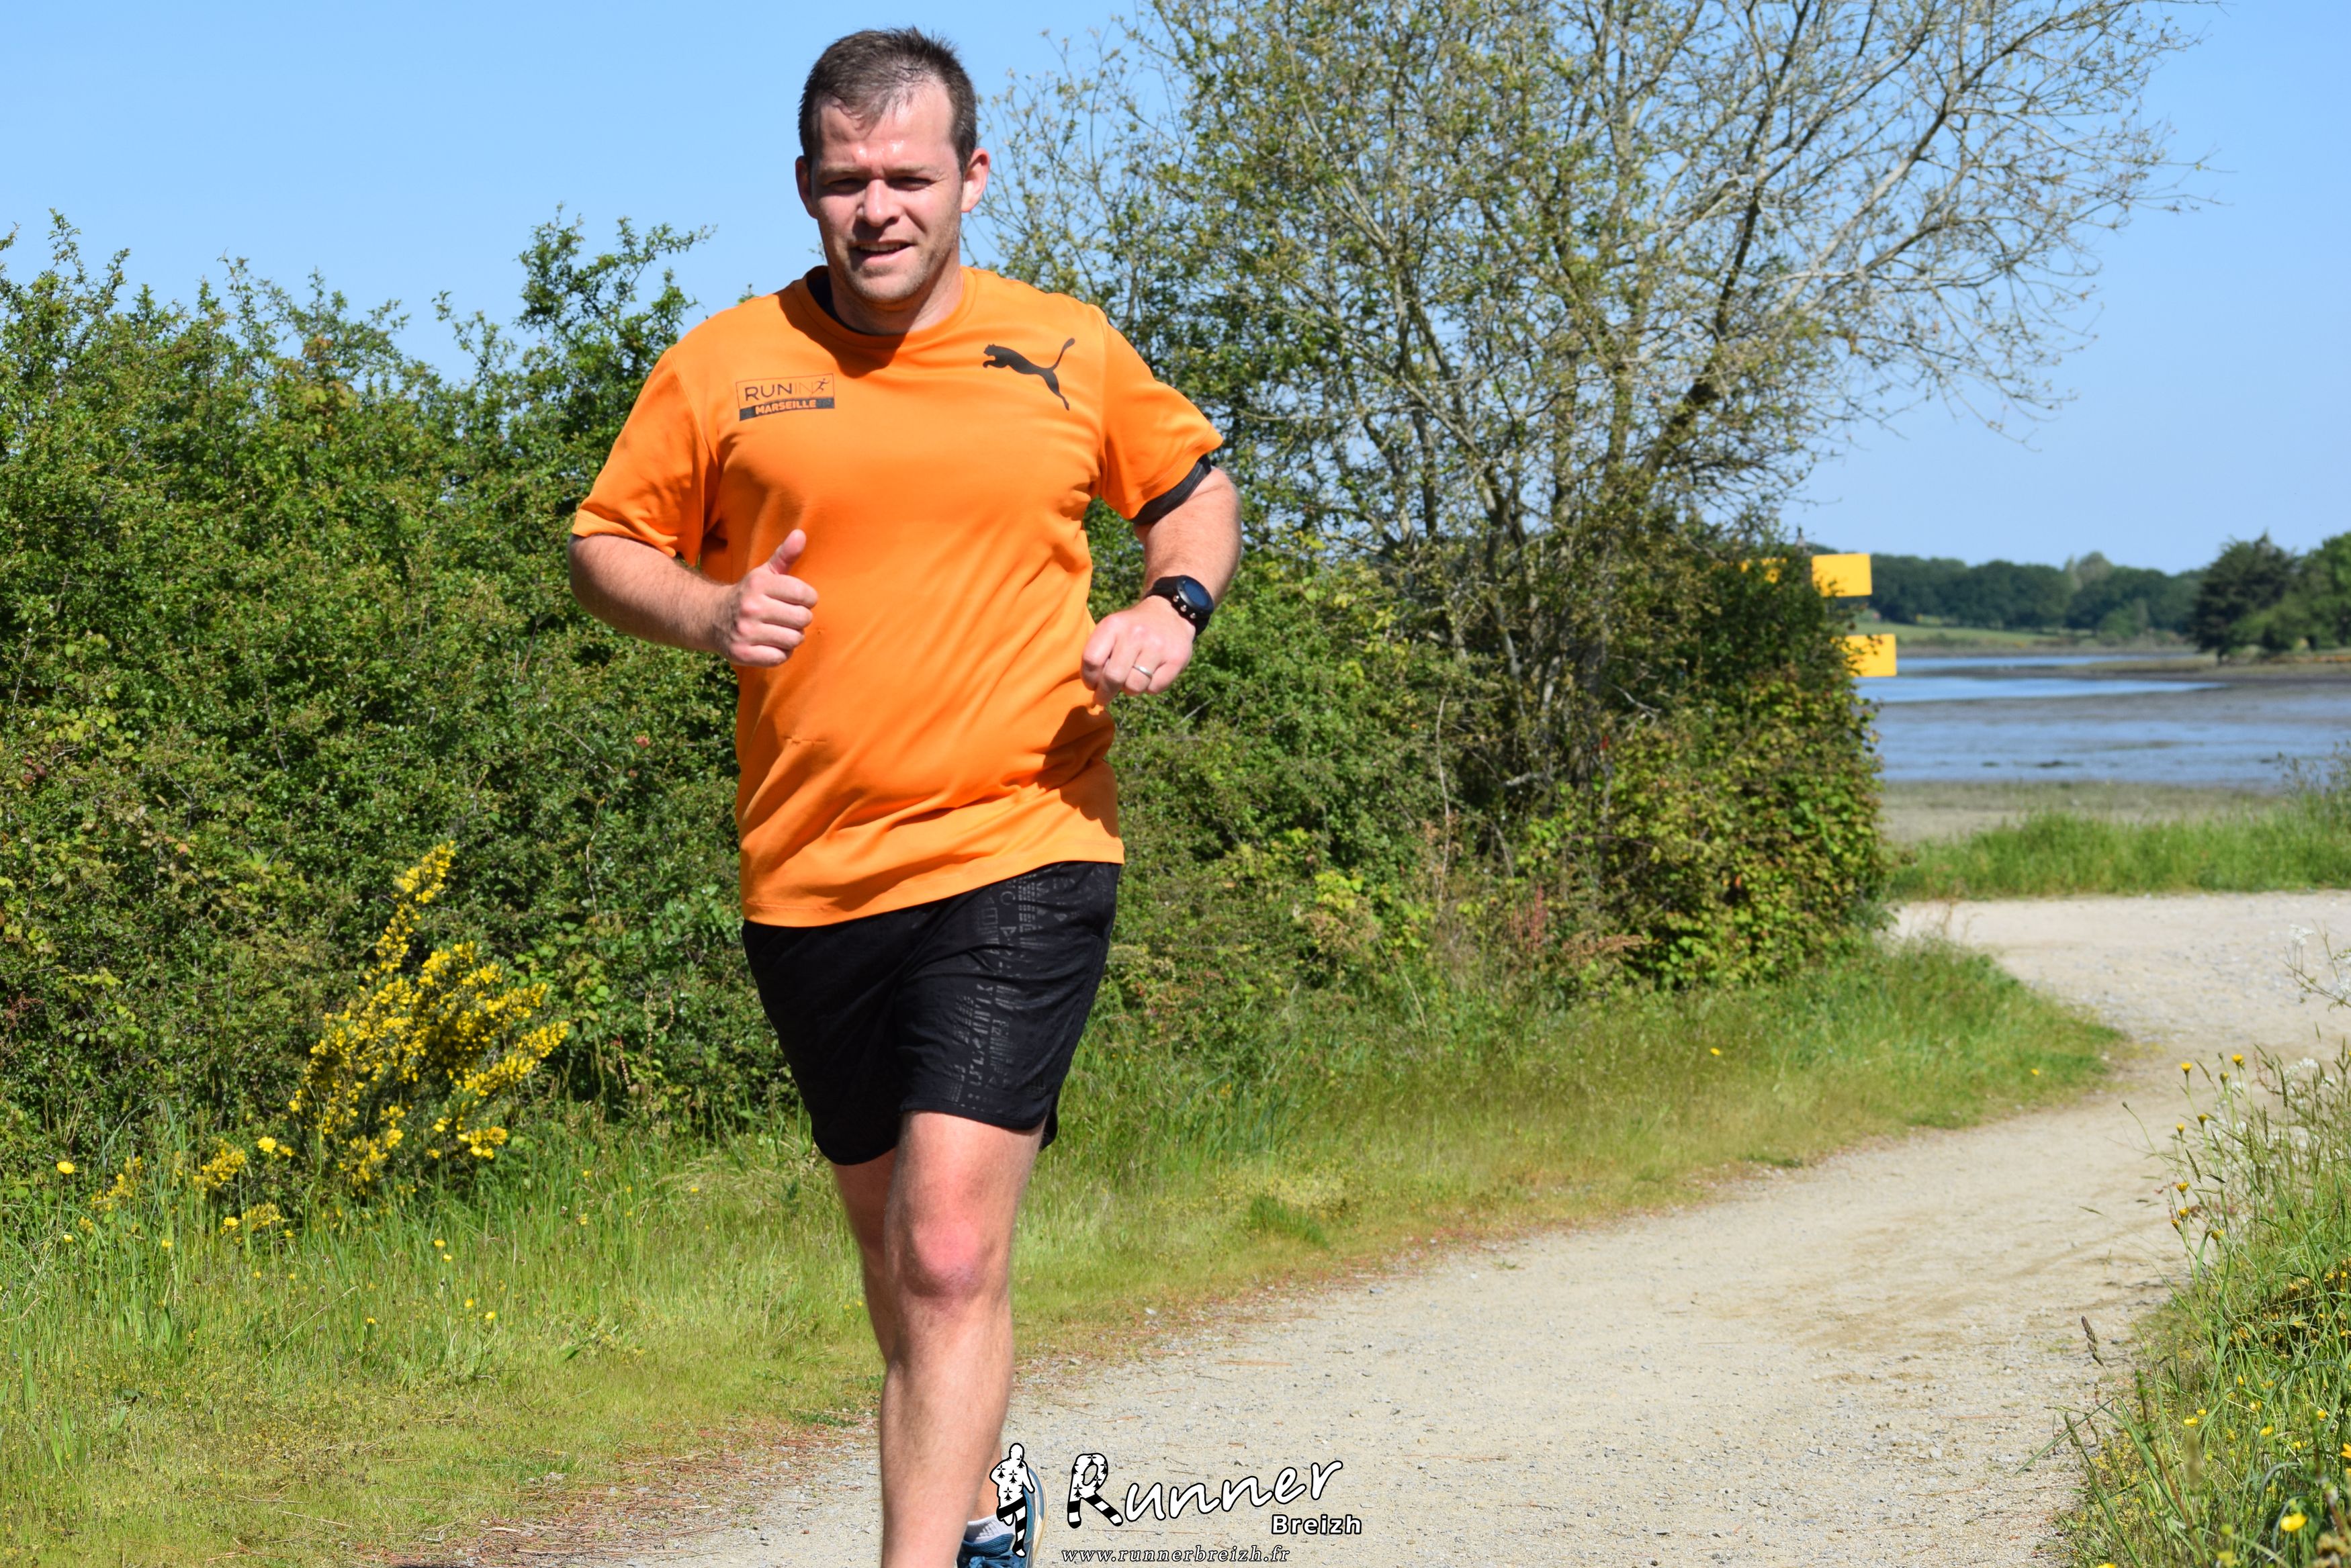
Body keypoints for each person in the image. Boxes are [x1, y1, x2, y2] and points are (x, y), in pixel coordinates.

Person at [565, 28, 1241, 1568]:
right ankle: (984, 1508)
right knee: (898, 1261)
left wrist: (1173, 602)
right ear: (806, 185)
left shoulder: (1063, 346)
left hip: (1024, 839)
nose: (877, 208)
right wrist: (709, 612)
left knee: (944, 1247)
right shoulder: (725, 364)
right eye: (846, 179)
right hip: (809, 873)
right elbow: (604, 545)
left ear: (972, 178)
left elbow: (1194, 486)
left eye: (909, 177)